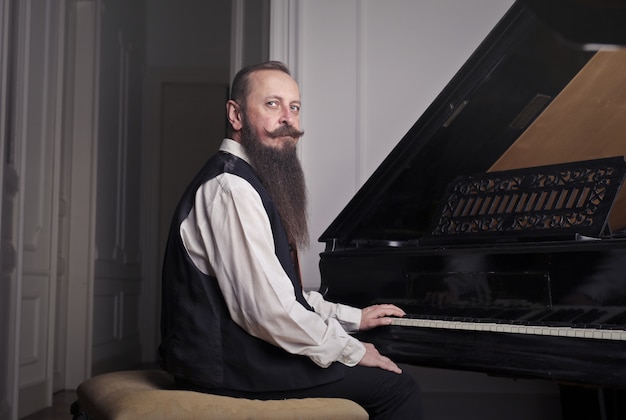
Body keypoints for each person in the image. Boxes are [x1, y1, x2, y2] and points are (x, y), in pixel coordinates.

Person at [158, 60, 423, 419]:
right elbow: (268, 312)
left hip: (242, 361)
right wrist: (353, 350)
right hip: (227, 372)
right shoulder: (231, 188)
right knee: (397, 389)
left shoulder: (246, 181)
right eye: (272, 104)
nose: (288, 118)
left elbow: (282, 295)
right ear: (235, 115)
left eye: (294, 107)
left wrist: (353, 319)